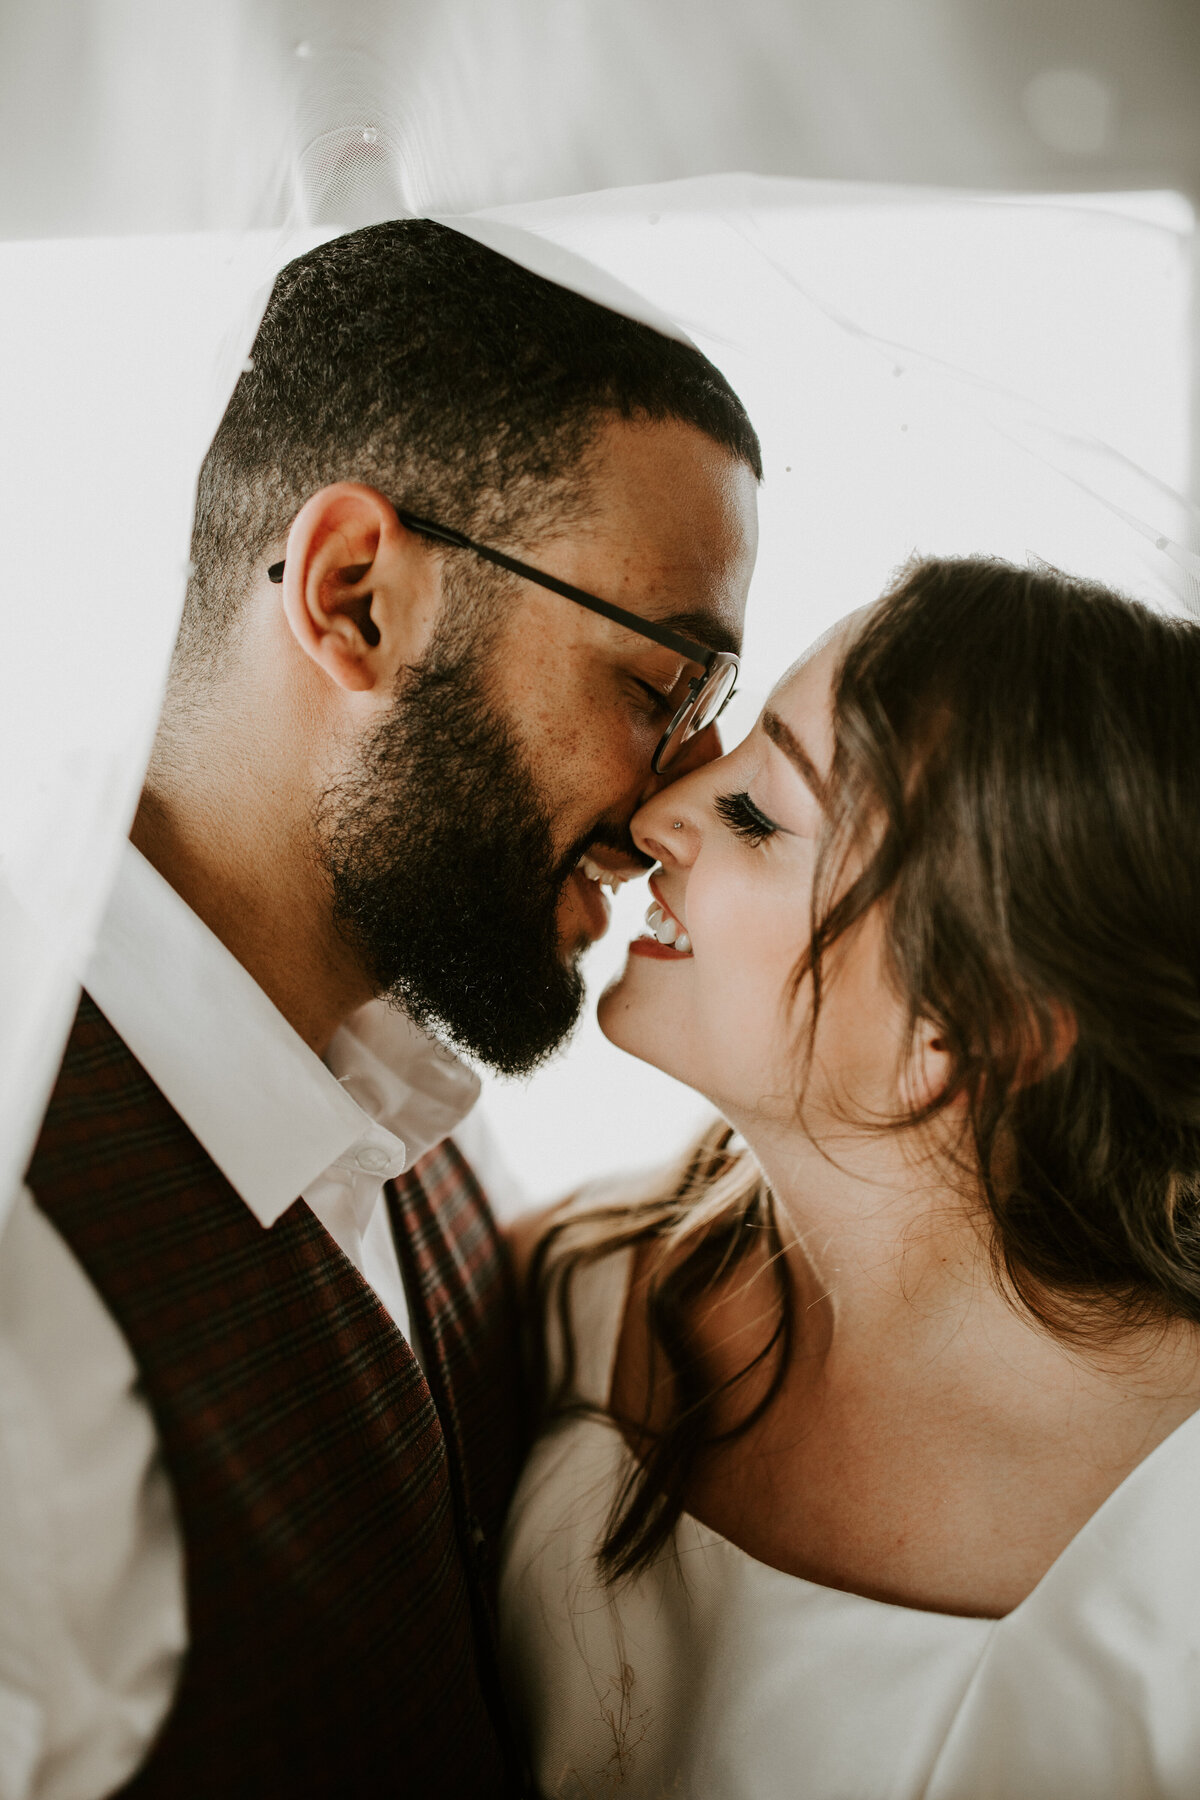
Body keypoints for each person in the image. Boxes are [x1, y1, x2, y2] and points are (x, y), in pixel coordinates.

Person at [6, 219, 760, 1800]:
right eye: (663, 691)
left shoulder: (416, 1127)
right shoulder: (25, 1304)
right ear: (356, 596)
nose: (685, 808)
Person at [501, 556, 1200, 1799]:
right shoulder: (588, 1275)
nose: (663, 807)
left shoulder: (1174, 1527)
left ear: (969, 1034)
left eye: (762, 813)